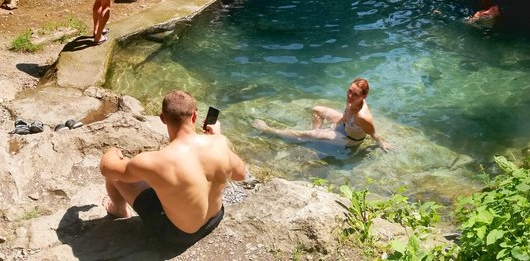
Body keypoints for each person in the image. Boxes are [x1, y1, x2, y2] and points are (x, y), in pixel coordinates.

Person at [100, 90, 247, 247]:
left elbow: (106, 169)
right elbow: (241, 174)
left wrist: (112, 151)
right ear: (195, 116)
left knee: (117, 175)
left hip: (178, 235)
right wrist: (217, 138)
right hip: (215, 219)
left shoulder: (155, 161)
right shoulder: (219, 143)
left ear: (162, 119)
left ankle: (118, 210)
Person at [252, 77, 394, 153]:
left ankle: (268, 130)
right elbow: (346, 114)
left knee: (303, 135)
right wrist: (337, 124)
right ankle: (315, 134)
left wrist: (382, 143)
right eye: (349, 91)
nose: (350, 96)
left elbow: (373, 133)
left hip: (348, 138)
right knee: (317, 109)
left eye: (355, 94)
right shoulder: (352, 101)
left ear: (364, 96)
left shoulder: (363, 117)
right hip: (343, 125)